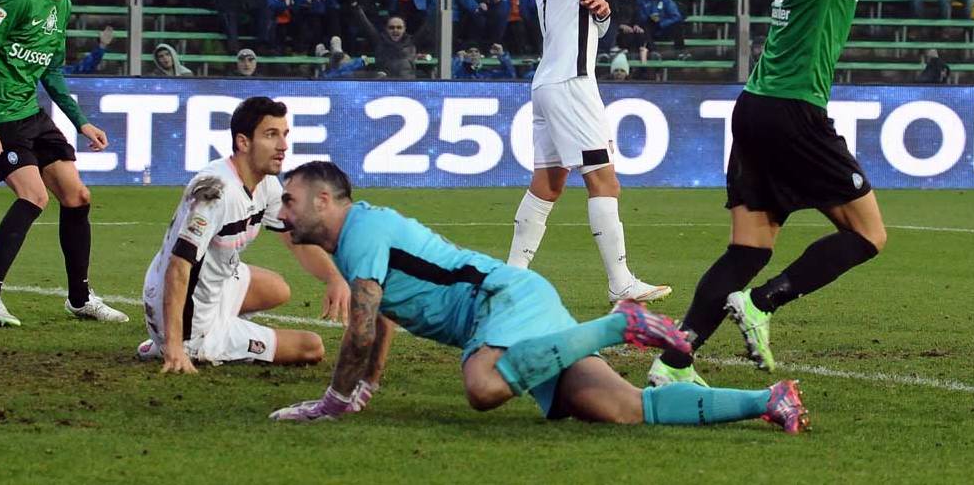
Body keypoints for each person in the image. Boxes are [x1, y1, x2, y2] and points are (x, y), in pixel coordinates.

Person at [648, 0, 921, 388]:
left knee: (747, 249)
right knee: (870, 234)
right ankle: (762, 304)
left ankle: (671, 364)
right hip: (794, 110)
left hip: (758, 107)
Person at [267, 161, 810, 434]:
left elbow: (361, 327)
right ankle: (767, 400)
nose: (282, 211)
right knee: (621, 409)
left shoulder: (359, 232)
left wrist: (332, 404)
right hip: (520, 303)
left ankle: (620, 323)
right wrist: (368, 385)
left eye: (289, 200)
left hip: (497, 303)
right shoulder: (354, 238)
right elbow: (379, 317)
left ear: (323, 199)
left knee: (482, 386)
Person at [505, 0, 669, 304]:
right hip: (572, 83)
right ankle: (621, 281)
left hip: (546, 82)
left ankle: (510, 278)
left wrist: (603, 13)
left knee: (548, 183)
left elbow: (577, 27)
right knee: (604, 180)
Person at [0, 0, 127, 327]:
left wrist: (82, 123)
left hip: (30, 112)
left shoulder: (63, 4)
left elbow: (51, 71)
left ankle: (79, 298)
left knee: (78, 197)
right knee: (35, 197)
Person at [144, 98, 350, 372]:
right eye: (271, 135)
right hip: (189, 318)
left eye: (284, 135)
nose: (283, 146)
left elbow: (297, 241)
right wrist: (174, 346)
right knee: (311, 346)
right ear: (243, 142)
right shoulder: (216, 193)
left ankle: (205, 329)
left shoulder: (266, 184)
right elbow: (179, 266)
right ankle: (186, 343)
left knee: (277, 288)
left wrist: (334, 278)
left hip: (211, 287)